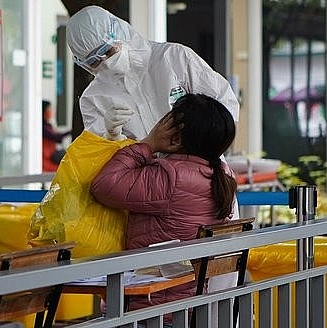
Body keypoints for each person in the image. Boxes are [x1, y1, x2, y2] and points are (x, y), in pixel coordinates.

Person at [90, 93, 237, 314]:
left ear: (177, 135)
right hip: (185, 306)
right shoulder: (220, 176)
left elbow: (103, 185)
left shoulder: (170, 178)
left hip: (151, 308)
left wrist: (147, 144)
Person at [65, 5, 239, 142]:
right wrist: (111, 137)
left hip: (201, 176)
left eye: (109, 51)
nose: (106, 63)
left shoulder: (173, 57)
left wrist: (196, 148)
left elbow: (225, 107)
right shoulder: (94, 98)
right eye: (94, 62)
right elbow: (99, 162)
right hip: (144, 184)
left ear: (119, 32)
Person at [42, 100, 71, 172]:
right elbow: (56, 138)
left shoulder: (48, 126)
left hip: (52, 154)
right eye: (49, 109)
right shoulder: (42, 127)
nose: (52, 112)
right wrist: (69, 132)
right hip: (47, 156)